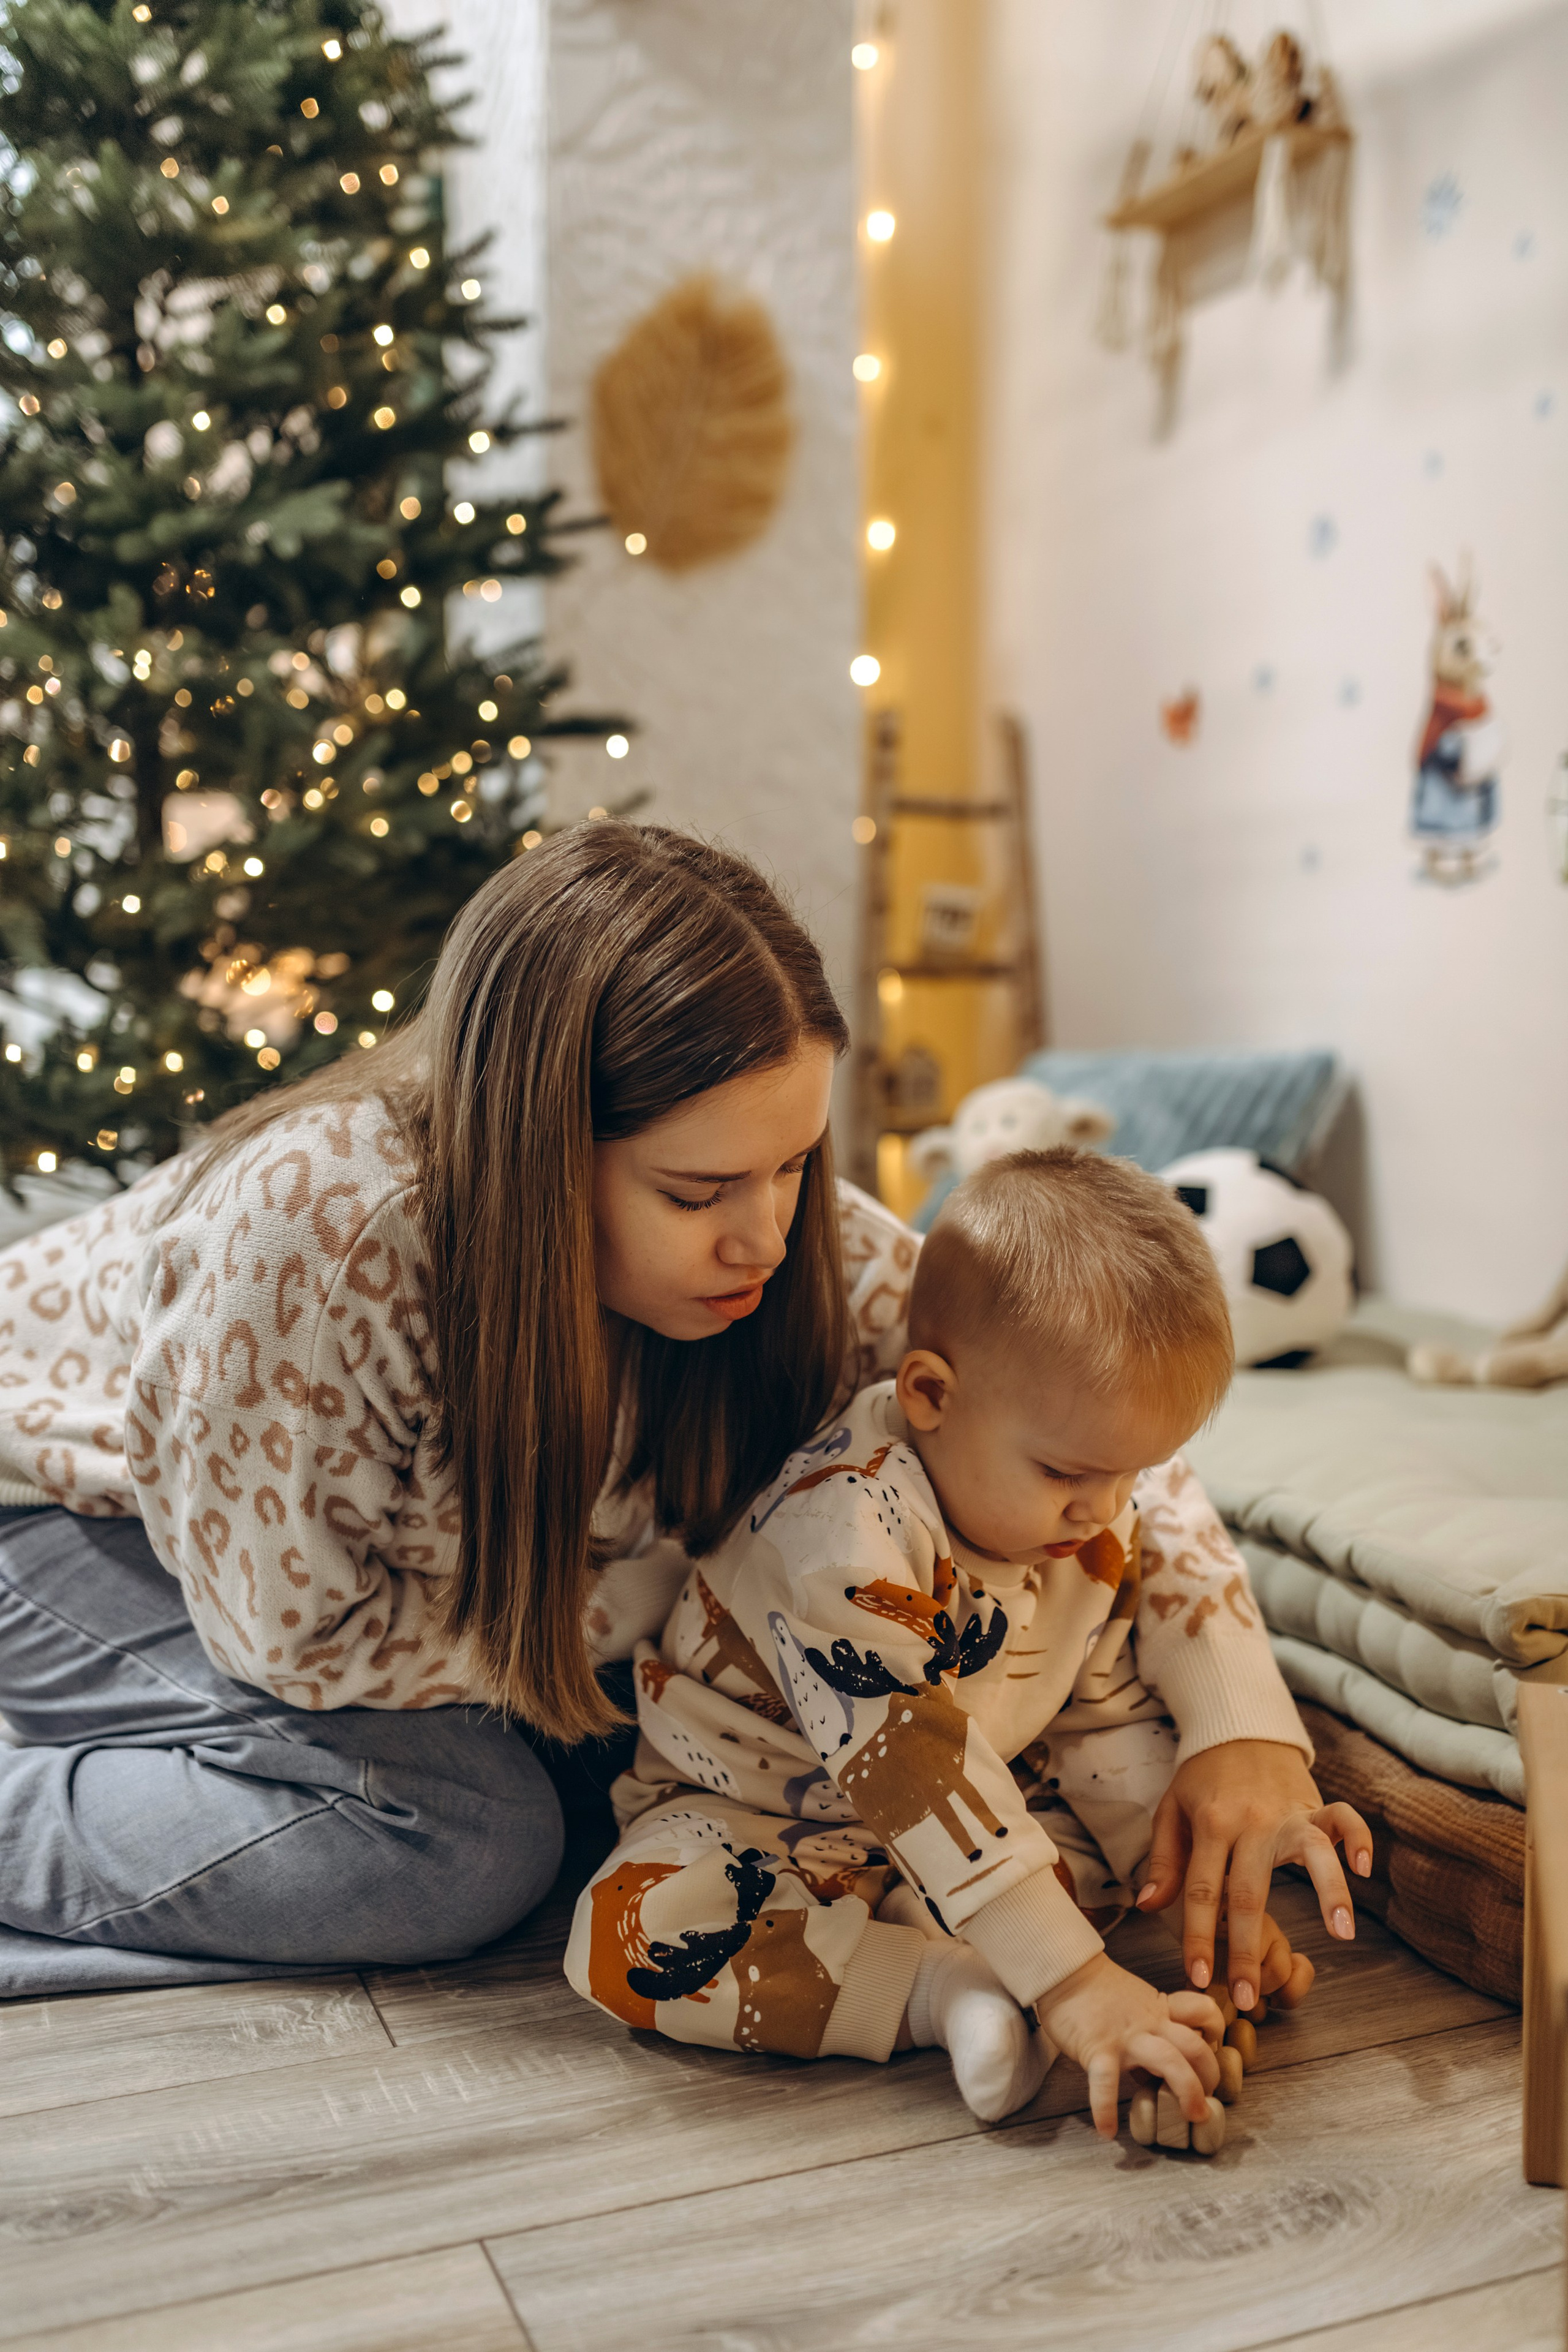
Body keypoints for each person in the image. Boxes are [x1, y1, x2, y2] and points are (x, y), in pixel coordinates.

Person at [0, 824, 917, 1994]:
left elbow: (1033, 1359)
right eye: (698, 1194)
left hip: (313, 1579)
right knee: (464, 1839)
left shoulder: (766, 1215)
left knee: (629, 1782)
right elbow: (291, 1641)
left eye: (793, 1164)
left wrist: (1204, 1701)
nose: (767, 1240)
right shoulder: (323, 1234)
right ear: (541, 1147)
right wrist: (640, 1608)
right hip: (64, 1514)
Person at [567, 1148, 1371, 2134]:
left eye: (1133, 1475)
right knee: (626, 1940)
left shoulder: (1086, 1522)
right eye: (1066, 1473)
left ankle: (982, 1948)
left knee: (1083, 1855)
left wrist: (1183, 1906)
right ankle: (943, 1991)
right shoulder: (839, 1531)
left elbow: (1104, 1717)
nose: (1104, 1510)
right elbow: (912, 1767)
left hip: (982, 1810)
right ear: (930, 1395)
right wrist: (1076, 1984)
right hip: (751, 1813)